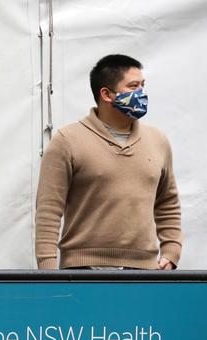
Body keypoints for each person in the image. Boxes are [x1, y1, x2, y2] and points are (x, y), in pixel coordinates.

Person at [35, 54, 182, 270]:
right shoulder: (67, 140)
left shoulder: (158, 141)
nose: (141, 93)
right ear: (106, 94)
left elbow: (167, 201)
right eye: (133, 86)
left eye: (142, 85)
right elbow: (49, 208)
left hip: (145, 271)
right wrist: (47, 268)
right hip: (83, 270)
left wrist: (171, 253)